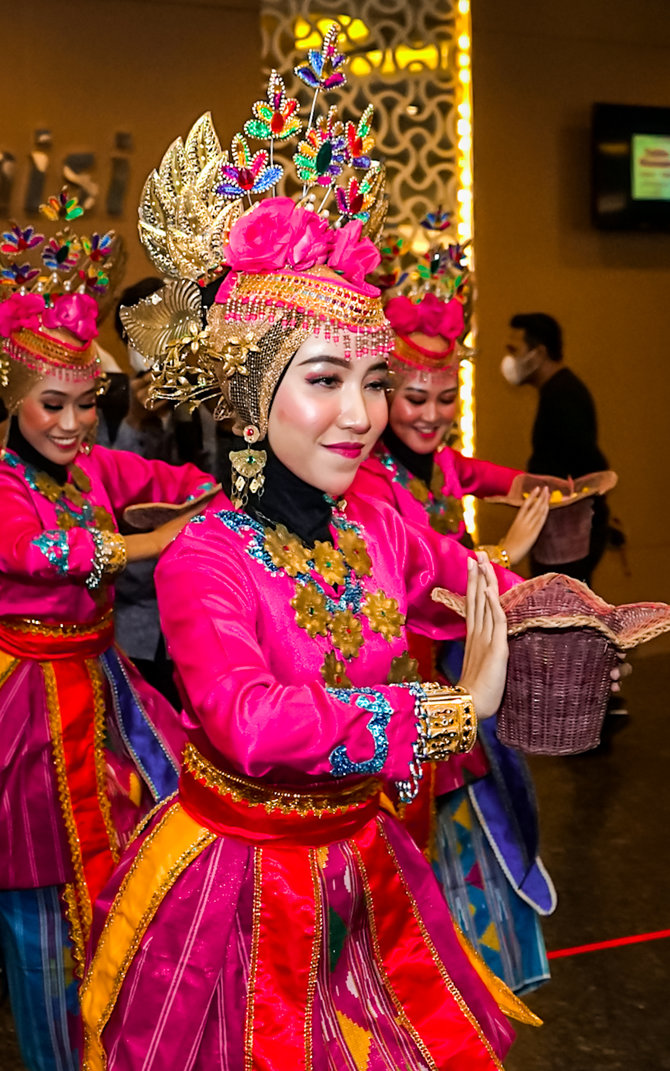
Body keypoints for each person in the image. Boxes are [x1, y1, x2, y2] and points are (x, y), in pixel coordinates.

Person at [80, 93, 541, 1069]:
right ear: (248, 411)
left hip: (366, 863)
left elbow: (456, 583)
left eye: (372, 381)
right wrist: (446, 713)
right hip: (245, 892)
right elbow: (251, 719)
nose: (363, 413)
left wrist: (573, 611)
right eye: (326, 379)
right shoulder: (208, 556)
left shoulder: (377, 521)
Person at [0, 206, 215, 1071]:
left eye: (88, 404)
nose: (74, 423)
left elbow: (169, 475)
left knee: (121, 877)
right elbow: (35, 549)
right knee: (38, 901)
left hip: (101, 689)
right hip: (25, 704)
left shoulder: (93, 467)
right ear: (11, 400)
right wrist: (142, 543)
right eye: (52, 404)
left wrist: (230, 491)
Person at [353, 287, 555, 994]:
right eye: (414, 398)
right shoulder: (368, 486)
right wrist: (506, 549)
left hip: (453, 674)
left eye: (445, 399)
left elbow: (469, 472)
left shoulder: (428, 463)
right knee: (413, 842)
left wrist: (532, 484)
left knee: (470, 820)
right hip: (407, 683)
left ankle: (469, 986)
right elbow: (428, 573)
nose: (432, 415)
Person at [502, 312, 610, 583]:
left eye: (515, 350)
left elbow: (587, 462)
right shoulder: (556, 391)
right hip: (563, 533)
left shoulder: (564, 396)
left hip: (569, 536)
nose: (509, 358)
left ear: (538, 353)